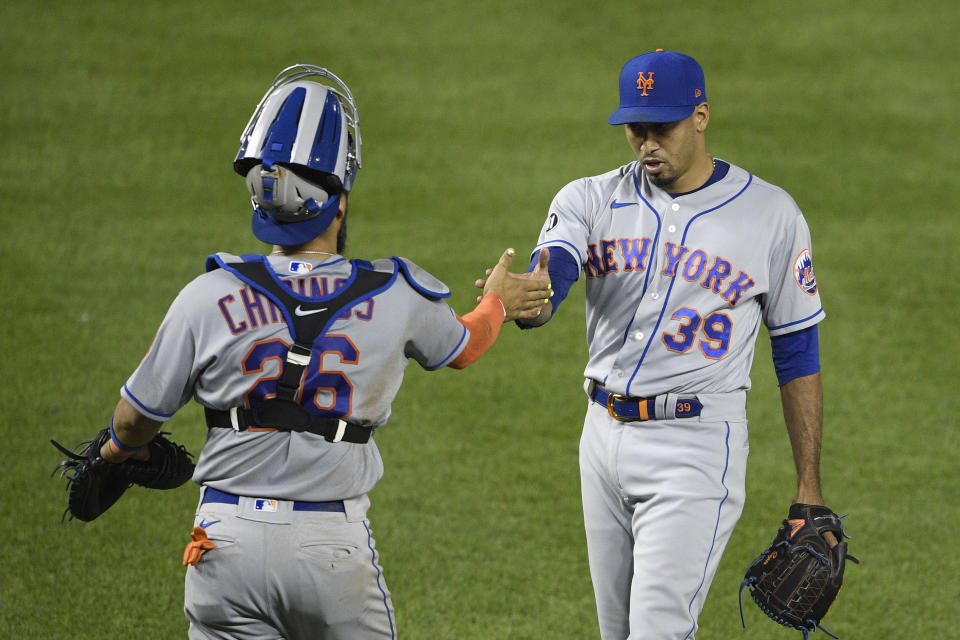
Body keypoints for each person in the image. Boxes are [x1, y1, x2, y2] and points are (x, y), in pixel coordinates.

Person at [97, 64, 550, 640]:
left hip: (222, 543)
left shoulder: (207, 295)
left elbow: (135, 419)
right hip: (329, 548)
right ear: (339, 200)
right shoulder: (396, 293)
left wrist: (115, 452)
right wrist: (498, 304)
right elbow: (463, 347)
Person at [489, 49, 833, 639]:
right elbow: (557, 270)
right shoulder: (589, 198)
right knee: (617, 632)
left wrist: (808, 486)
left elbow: (798, 351)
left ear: (700, 117)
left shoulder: (771, 215)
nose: (648, 144)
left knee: (657, 632)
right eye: (636, 129)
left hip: (696, 449)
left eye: (662, 128)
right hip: (600, 440)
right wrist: (529, 298)